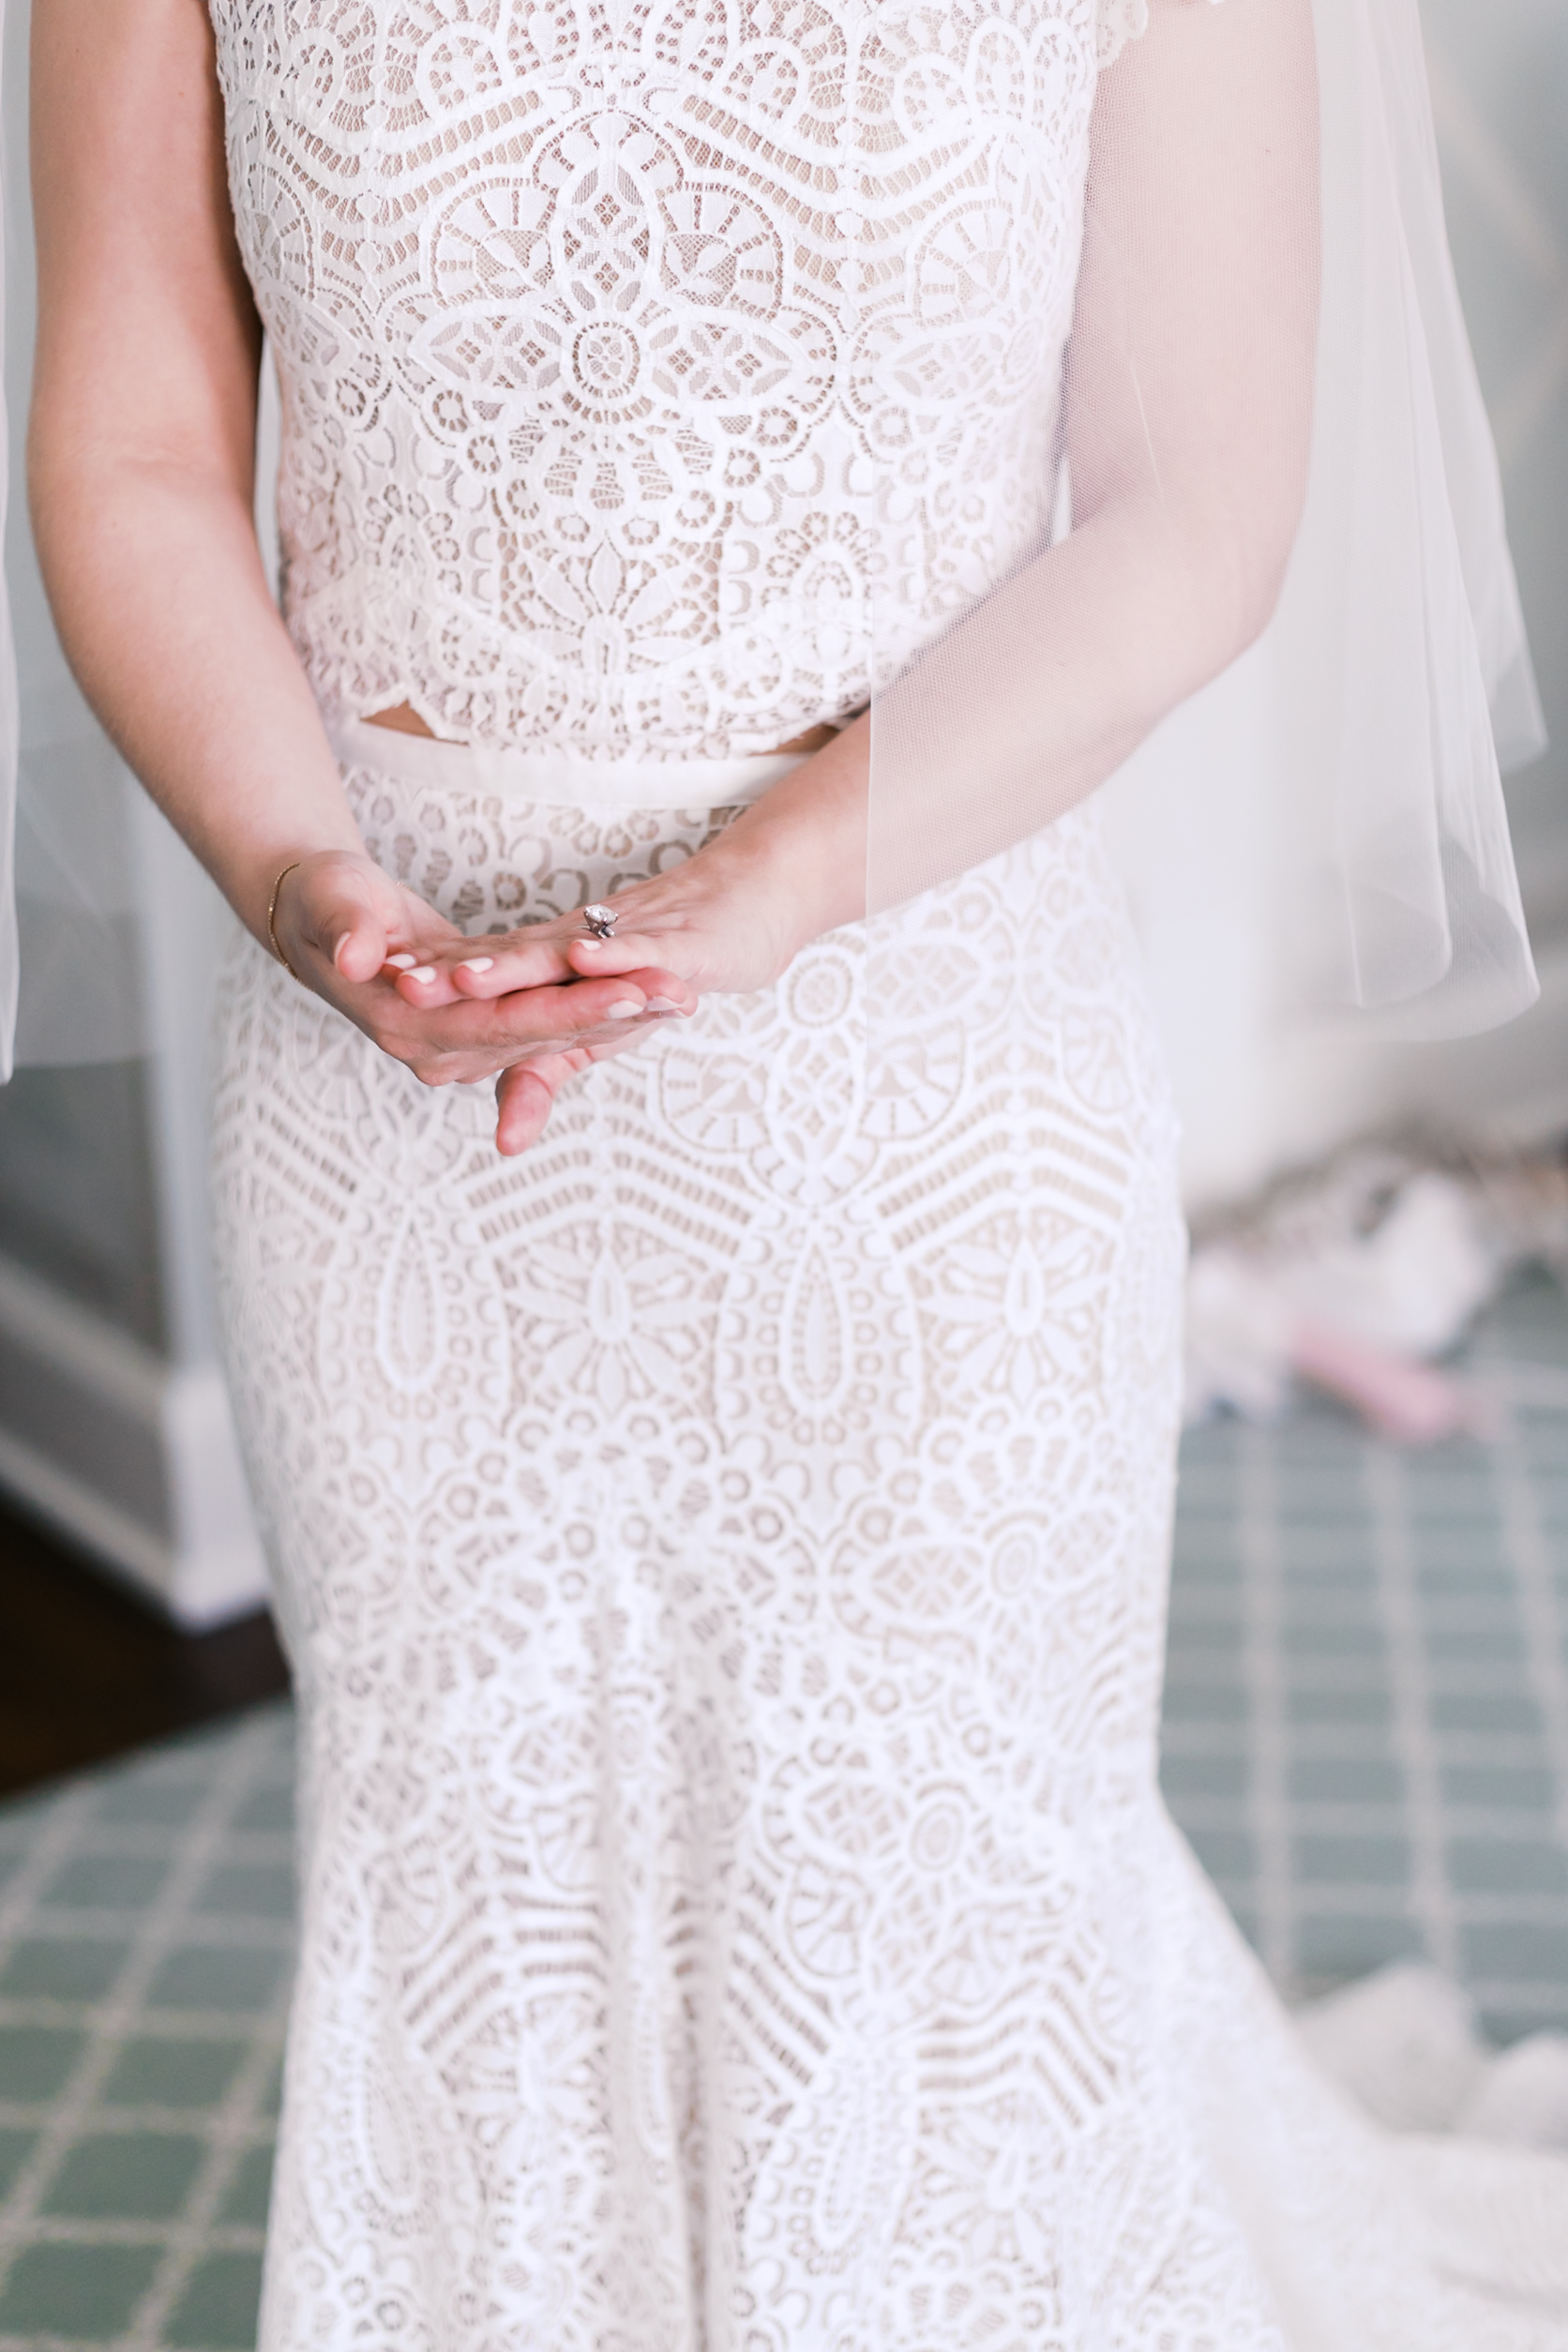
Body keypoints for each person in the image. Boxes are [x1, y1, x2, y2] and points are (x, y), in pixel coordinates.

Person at [26, 0, 1566, 2337]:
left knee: (927, 1882)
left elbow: (1191, 516)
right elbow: (136, 430)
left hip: (916, 1053)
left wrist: (760, 886)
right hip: (388, 1070)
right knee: (472, 1860)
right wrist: (296, 876)